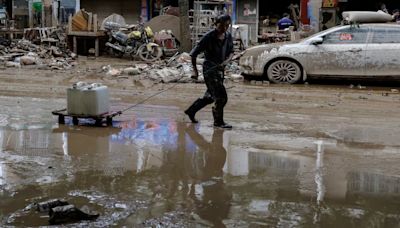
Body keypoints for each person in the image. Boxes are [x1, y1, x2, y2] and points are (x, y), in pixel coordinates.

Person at [184, 15, 234, 129]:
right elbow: (194, 54)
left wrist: (226, 62)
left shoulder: (228, 36)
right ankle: (218, 122)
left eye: (227, 26)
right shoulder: (208, 37)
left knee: (210, 96)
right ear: (216, 24)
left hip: (220, 70)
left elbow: (231, 52)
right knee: (221, 98)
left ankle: (191, 111)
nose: (224, 28)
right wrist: (195, 72)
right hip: (210, 70)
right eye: (221, 25)